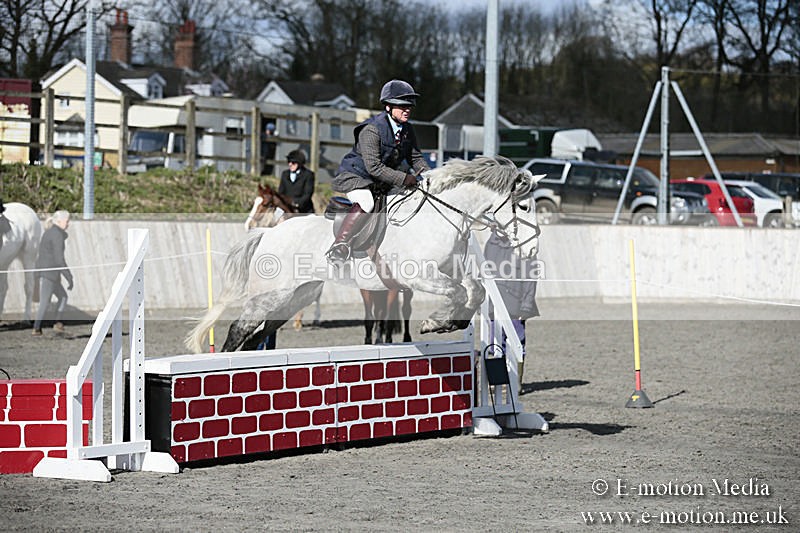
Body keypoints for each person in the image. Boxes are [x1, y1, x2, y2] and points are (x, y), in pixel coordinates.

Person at [327, 79, 430, 262]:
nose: (407, 109)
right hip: (356, 177)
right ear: (388, 107)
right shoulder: (371, 130)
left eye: (409, 105)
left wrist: (431, 178)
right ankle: (339, 246)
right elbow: (374, 167)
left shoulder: (407, 129)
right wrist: (404, 178)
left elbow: (416, 158)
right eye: (402, 105)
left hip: (380, 181)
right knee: (367, 203)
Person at [483, 228, 540, 384]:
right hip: (494, 306)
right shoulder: (490, 243)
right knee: (495, 346)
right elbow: (484, 273)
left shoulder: (524, 244)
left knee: (517, 344)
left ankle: (516, 382)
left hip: (516, 307)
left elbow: (531, 277)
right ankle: (497, 382)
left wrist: (527, 306)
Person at [32, 210, 73, 336]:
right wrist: (69, 276)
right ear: (59, 221)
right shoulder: (56, 235)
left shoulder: (52, 233)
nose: (68, 224)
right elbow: (59, 258)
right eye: (67, 221)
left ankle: (58, 323)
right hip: (48, 274)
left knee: (63, 297)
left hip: (49, 273)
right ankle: (37, 328)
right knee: (45, 302)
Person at [278, 149, 315, 213]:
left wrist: (296, 204)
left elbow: (307, 194)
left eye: (293, 162)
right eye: (289, 162)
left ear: (299, 163)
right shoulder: (285, 174)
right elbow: (281, 192)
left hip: (303, 209)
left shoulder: (308, 175)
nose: (290, 164)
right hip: (287, 208)